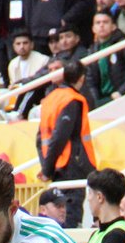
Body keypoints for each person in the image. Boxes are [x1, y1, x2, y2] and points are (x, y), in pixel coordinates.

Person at [37, 60, 96, 227]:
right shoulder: (72, 99)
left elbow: (39, 138)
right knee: (70, 213)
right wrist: (47, 169)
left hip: (56, 167)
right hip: (71, 165)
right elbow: (60, 137)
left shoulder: (49, 99)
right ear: (82, 78)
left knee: (59, 212)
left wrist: (46, 166)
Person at [87, 10, 125, 107]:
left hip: (121, 95)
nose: (101, 25)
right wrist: (95, 100)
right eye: (98, 23)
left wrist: (121, 91)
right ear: (93, 28)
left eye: (105, 22)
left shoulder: (123, 44)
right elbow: (90, 81)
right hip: (102, 98)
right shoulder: (92, 50)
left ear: (113, 26)